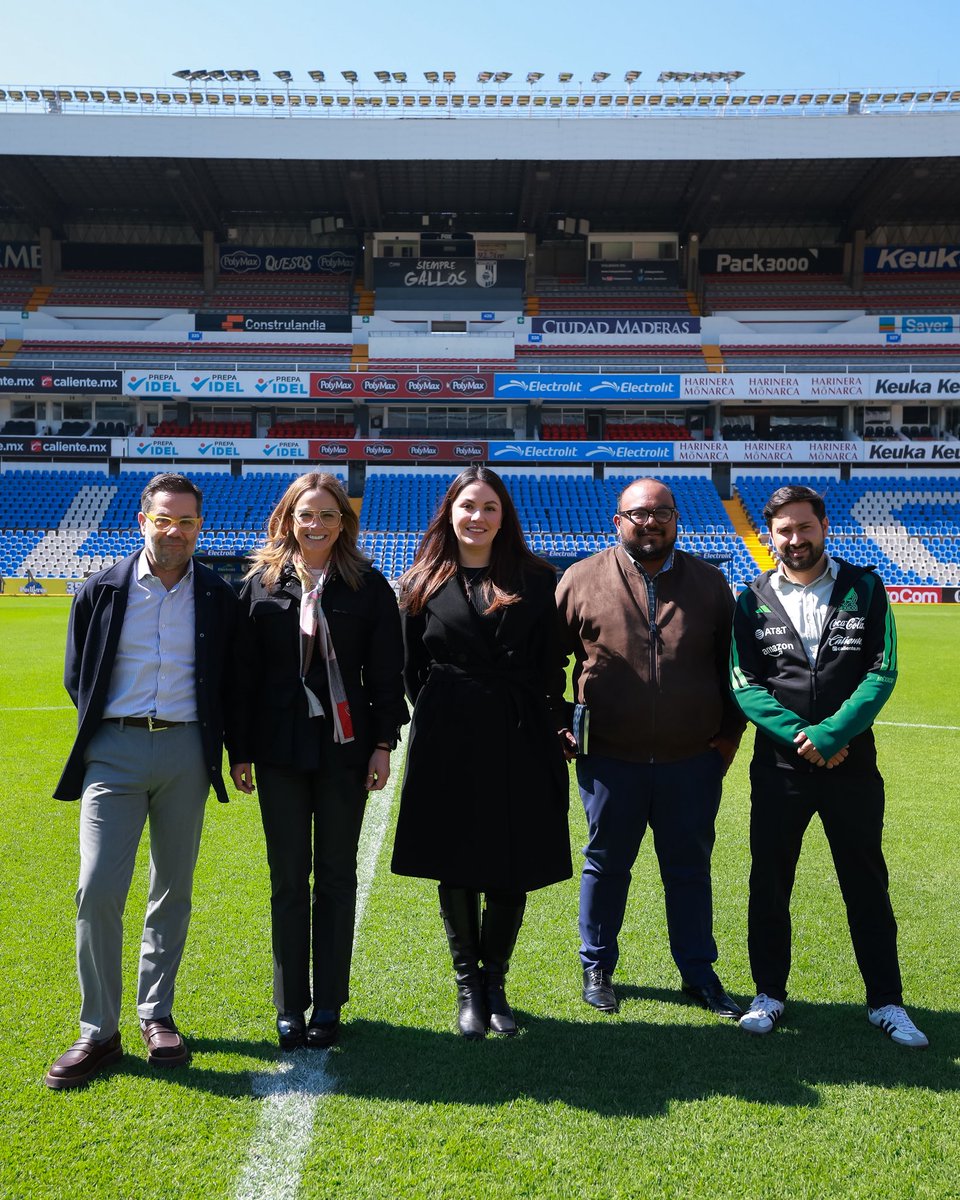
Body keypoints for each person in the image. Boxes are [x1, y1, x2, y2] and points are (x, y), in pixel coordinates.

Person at [46, 472, 240, 1090]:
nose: (175, 531)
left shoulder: (216, 594)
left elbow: (229, 680)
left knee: (172, 888)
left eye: (186, 521)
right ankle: (98, 1030)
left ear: (199, 526)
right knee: (98, 887)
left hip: (186, 750)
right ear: (142, 521)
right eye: (163, 519)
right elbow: (79, 675)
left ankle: (156, 1013)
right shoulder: (100, 590)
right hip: (115, 752)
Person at [730, 484, 928, 1047]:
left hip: (851, 766)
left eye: (804, 527)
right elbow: (744, 682)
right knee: (769, 882)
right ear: (770, 537)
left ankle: (886, 1002)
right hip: (780, 768)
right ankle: (768, 995)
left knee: (866, 882)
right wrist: (804, 738)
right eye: (784, 531)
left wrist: (833, 734)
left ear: (824, 526)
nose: (795, 539)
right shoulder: (750, 598)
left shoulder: (865, 587)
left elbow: (881, 671)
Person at [391, 465, 571, 1039]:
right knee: (457, 857)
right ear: (450, 511)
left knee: (512, 859)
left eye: (489, 507)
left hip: (520, 731)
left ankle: (496, 981)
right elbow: (410, 669)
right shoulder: (421, 580)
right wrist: (450, 705)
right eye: (468, 506)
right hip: (449, 734)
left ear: (504, 515)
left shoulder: (538, 578)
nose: (478, 517)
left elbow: (552, 664)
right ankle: (468, 984)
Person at [556, 477, 745, 1019]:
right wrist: (558, 723)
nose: (652, 521)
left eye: (663, 511)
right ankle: (597, 965)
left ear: (676, 519)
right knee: (606, 864)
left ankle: (697, 970)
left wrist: (729, 735)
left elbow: (734, 670)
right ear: (618, 521)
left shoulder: (710, 583)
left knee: (689, 868)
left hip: (692, 760)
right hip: (610, 759)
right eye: (639, 513)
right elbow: (547, 661)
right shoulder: (581, 579)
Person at [230, 472, 407, 1050]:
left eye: (328, 515)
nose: (316, 524)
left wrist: (383, 743)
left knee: (335, 876)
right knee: (287, 880)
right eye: (306, 514)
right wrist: (241, 750)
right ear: (288, 519)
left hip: (345, 751)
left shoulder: (368, 587)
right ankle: (290, 1005)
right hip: (280, 752)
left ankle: (328, 1001)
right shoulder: (259, 585)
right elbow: (244, 677)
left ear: (343, 523)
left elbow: (386, 676)